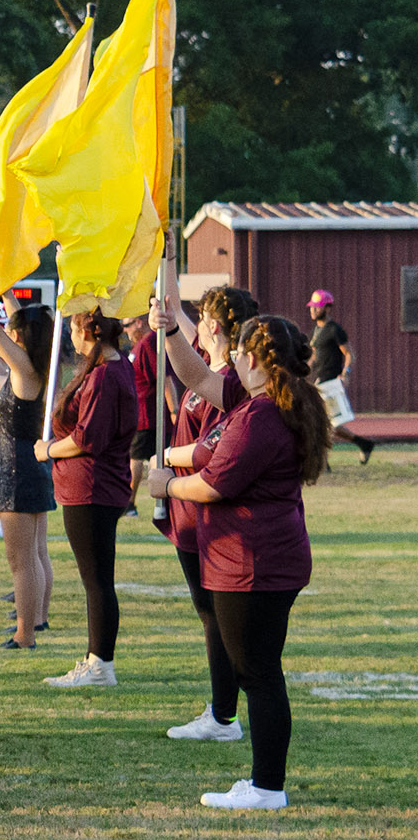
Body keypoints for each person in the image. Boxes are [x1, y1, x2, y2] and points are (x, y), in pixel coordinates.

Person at [152, 316, 331, 809]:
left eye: (238, 353)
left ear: (253, 358)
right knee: (258, 670)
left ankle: (267, 787)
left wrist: (164, 484)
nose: (230, 358)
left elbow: (214, 484)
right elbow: (197, 378)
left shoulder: (263, 415)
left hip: (255, 562)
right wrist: (168, 329)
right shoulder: (264, 401)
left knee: (257, 673)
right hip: (261, 557)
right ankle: (264, 783)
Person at [150, 284, 260, 745]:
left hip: (207, 513)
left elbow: (209, 453)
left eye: (202, 318)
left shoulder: (231, 382)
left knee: (216, 616)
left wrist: (169, 460)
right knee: (209, 612)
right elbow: (176, 320)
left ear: (214, 325)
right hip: (192, 510)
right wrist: (165, 253)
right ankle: (222, 710)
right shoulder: (216, 362)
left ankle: (223, 714)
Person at [39, 309, 137, 688]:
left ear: (89, 331)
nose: (72, 338)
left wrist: (47, 450)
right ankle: (96, 659)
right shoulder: (109, 368)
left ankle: (101, 665)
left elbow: (86, 439)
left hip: (93, 487)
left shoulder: (106, 374)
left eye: (75, 330)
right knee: (96, 578)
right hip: (93, 486)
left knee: (96, 580)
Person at [0, 299, 56, 650]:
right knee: (33, 553)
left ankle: (25, 635)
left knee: (20, 560)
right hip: (27, 465)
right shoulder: (31, 368)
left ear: (20, 335)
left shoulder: (25, 368)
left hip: (17, 467)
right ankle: (34, 621)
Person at [306, 290, 378, 462]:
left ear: (328, 308)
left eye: (318, 307)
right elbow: (315, 355)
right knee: (322, 422)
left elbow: (349, 353)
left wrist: (345, 374)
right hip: (319, 381)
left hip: (331, 382)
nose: (313, 310)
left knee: (329, 424)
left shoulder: (334, 330)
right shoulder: (317, 331)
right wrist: (303, 370)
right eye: (312, 307)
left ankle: (324, 459)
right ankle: (363, 444)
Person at [126, 312, 161, 505]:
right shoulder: (140, 345)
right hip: (138, 413)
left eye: (128, 325)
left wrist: (173, 410)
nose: (126, 330)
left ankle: (129, 503)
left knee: (137, 458)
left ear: (139, 322)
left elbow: (164, 378)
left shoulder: (148, 342)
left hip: (147, 414)